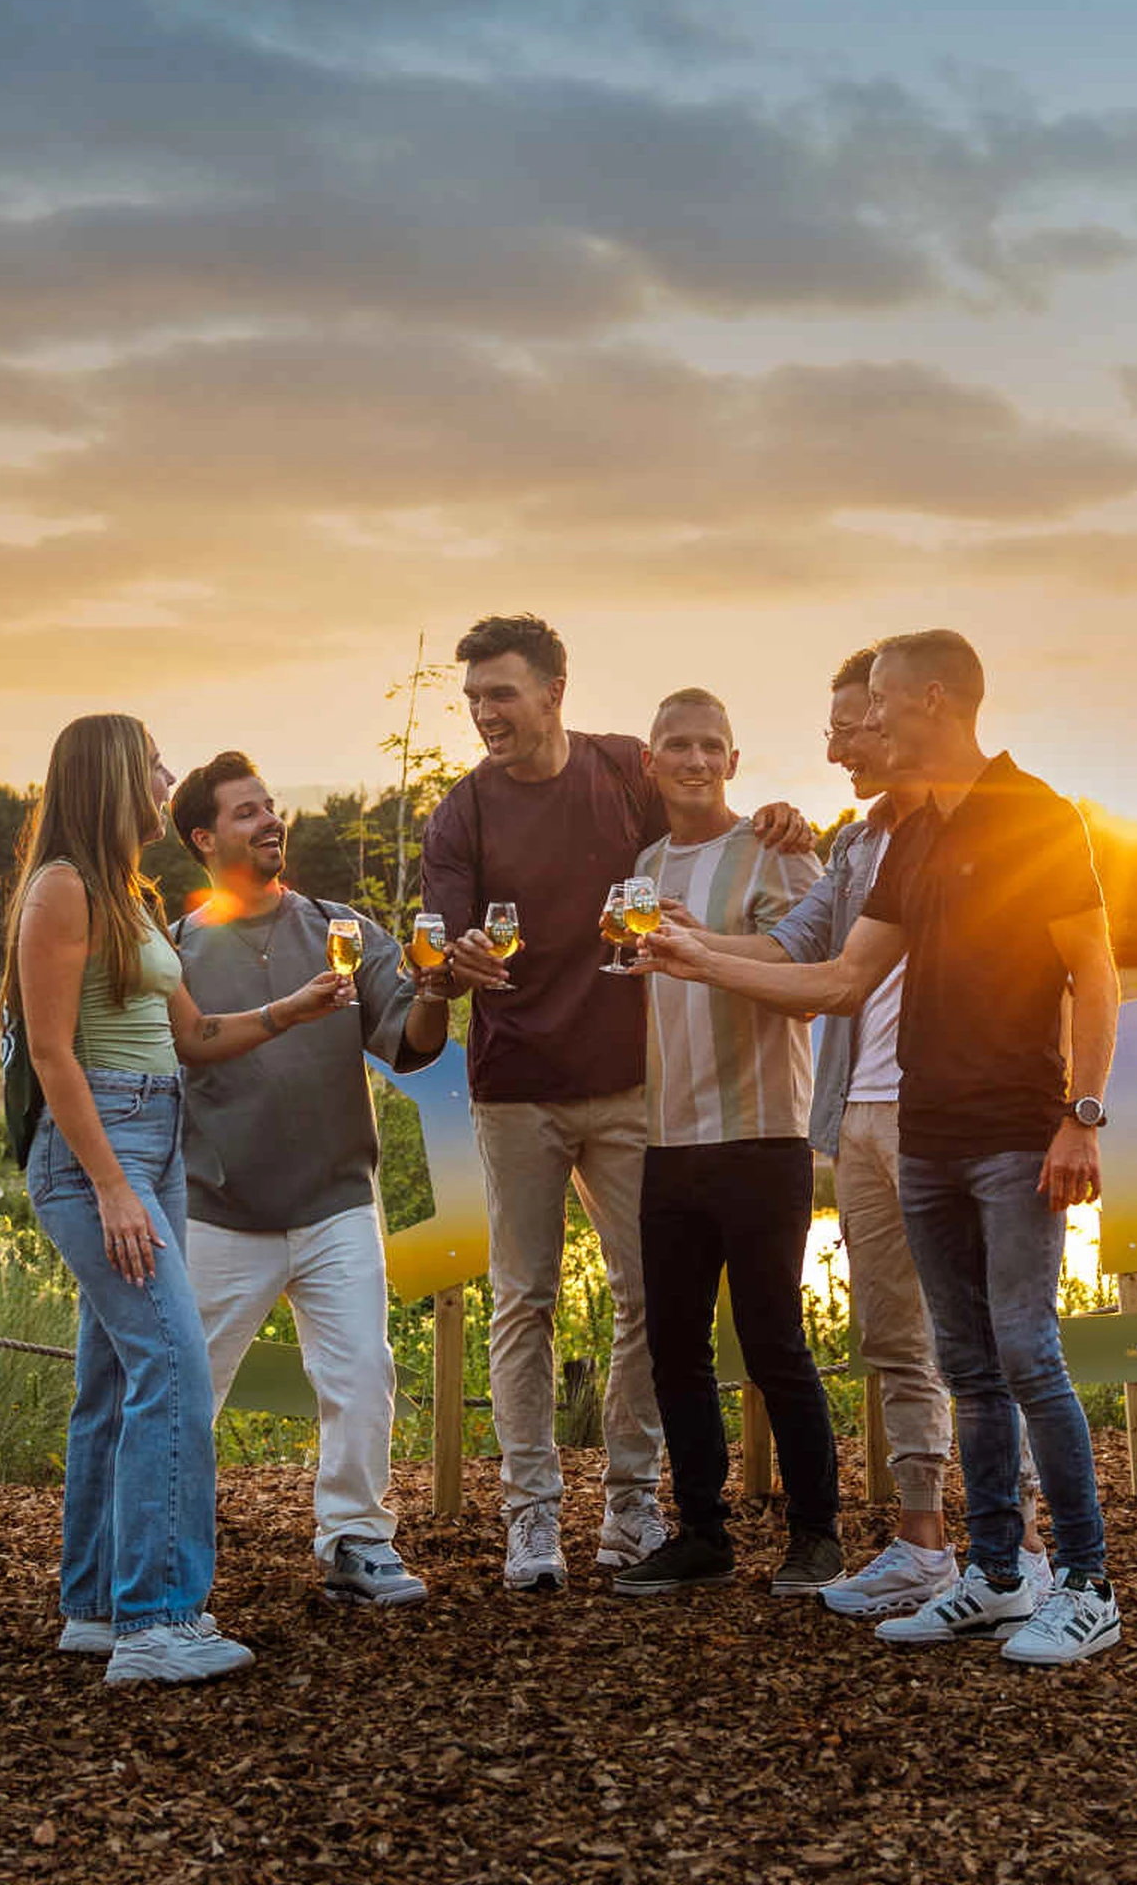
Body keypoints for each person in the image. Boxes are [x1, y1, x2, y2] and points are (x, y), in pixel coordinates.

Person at [637, 629, 1127, 1667]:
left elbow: (1095, 968)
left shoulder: (1037, 813)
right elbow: (840, 981)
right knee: (969, 1366)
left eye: (878, 707)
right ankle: (994, 1575)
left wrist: (1081, 1115)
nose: (864, 726)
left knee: (1027, 1353)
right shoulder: (905, 840)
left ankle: (1085, 1581)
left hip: (1012, 1134)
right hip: (927, 1137)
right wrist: (693, 959)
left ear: (934, 700)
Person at [424, 613, 810, 1592]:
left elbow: (705, 809)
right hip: (516, 1089)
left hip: (636, 1086)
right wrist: (456, 958)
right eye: (473, 698)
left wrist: (781, 817)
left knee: (650, 1299)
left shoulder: (623, 768)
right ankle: (531, 1515)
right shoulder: (461, 812)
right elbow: (445, 948)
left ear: (554, 692)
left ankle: (632, 1500)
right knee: (525, 1299)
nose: (484, 713)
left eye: (501, 693)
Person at [1, 714, 354, 1686]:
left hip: (155, 1134)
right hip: (99, 1149)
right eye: (153, 764)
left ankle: (95, 1607)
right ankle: (158, 1622)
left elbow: (191, 1037)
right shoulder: (62, 888)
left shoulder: (131, 894)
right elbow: (52, 1052)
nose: (166, 779)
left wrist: (292, 1008)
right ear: (112, 776)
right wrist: (112, 1186)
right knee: (173, 1367)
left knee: (116, 1379)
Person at [165, 750, 450, 1607]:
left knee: (362, 1374)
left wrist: (435, 991)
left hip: (336, 1203)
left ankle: (357, 1540)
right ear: (204, 838)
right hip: (220, 1211)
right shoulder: (174, 951)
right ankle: (161, 1552)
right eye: (247, 812)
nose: (271, 821)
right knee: (184, 1392)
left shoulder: (342, 928)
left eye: (270, 806)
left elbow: (411, 1040)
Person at [602, 690, 845, 1599]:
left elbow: (819, 978)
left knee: (774, 1340)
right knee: (674, 1347)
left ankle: (817, 1535)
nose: (695, 760)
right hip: (668, 1138)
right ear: (652, 762)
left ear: (734, 761)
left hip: (762, 1133)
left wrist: (713, 946)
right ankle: (702, 1533)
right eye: (678, 745)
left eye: (712, 746)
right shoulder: (644, 867)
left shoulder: (779, 849)